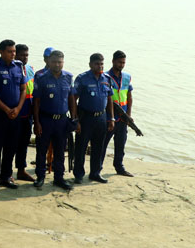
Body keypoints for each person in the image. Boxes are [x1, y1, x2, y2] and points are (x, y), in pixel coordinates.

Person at [0, 39, 26, 192]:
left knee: (11, 147)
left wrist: (18, 108)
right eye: (10, 51)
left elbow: (23, 89)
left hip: (15, 115)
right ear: (1, 52)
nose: (13, 54)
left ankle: (6, 176)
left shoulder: (18, 67)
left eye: (14, 51)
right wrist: (6, 109)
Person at [32, 50, 76, 191]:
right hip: (45, 120)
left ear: (63, 62)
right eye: (54, 62)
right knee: (41, 150)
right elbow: (36, 102)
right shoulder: (41, 78)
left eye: (60, 62)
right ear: (48, 62)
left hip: (62, 121)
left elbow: (71, 99)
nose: (57, 64)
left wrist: (74, 119)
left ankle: (59, 178)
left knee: (60, 151)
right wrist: (36, 122)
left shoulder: (68, 77)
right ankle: (40, 177)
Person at [72, 54, 115, 184]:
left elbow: (109, 99)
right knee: (81, 147)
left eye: (102, 64)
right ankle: (78, 174)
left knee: (98, 147)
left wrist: (111, 118)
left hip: (101, 117)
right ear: (90, 64)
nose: (100, 66)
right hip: (86, 117)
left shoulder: (107, 79)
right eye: (97, 64)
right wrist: (75, 119)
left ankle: (95, 173)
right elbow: (74, 98)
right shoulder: (82, 78)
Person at [102, 50, 134, 177]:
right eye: (119, 62)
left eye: (123, 62)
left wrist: (128, 115)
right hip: (109, 117)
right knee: (103, 143)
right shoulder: (105, 77)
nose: (121, 65)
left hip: (123, 117)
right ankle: (97, 168)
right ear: (113, 61)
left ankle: (119, 167)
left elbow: (129, 96)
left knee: (120, 144)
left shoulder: (127, 77)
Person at [14, 44, 36, 182]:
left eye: (26, 55)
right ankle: (5, 172)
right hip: (14, 113)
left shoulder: (30, 70)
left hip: (28, 114)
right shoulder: (11, 69)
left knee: (24, 144)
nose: (24, 57)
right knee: (10, 144)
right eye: (21, 55)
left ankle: (21, 170)